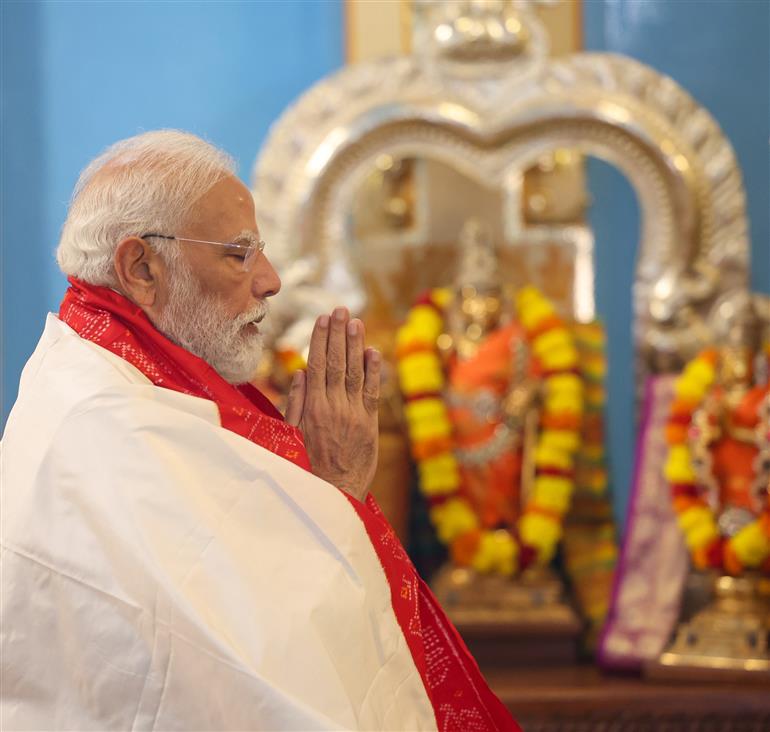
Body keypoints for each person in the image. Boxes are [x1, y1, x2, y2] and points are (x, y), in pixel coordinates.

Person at [1, 130, 519, 731]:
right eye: (238, 253)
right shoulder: (109, 424)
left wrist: (312, 496)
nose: (270, 280)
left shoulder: (105, 371)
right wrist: (336, 491)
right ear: (141, 268)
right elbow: (255, 680)